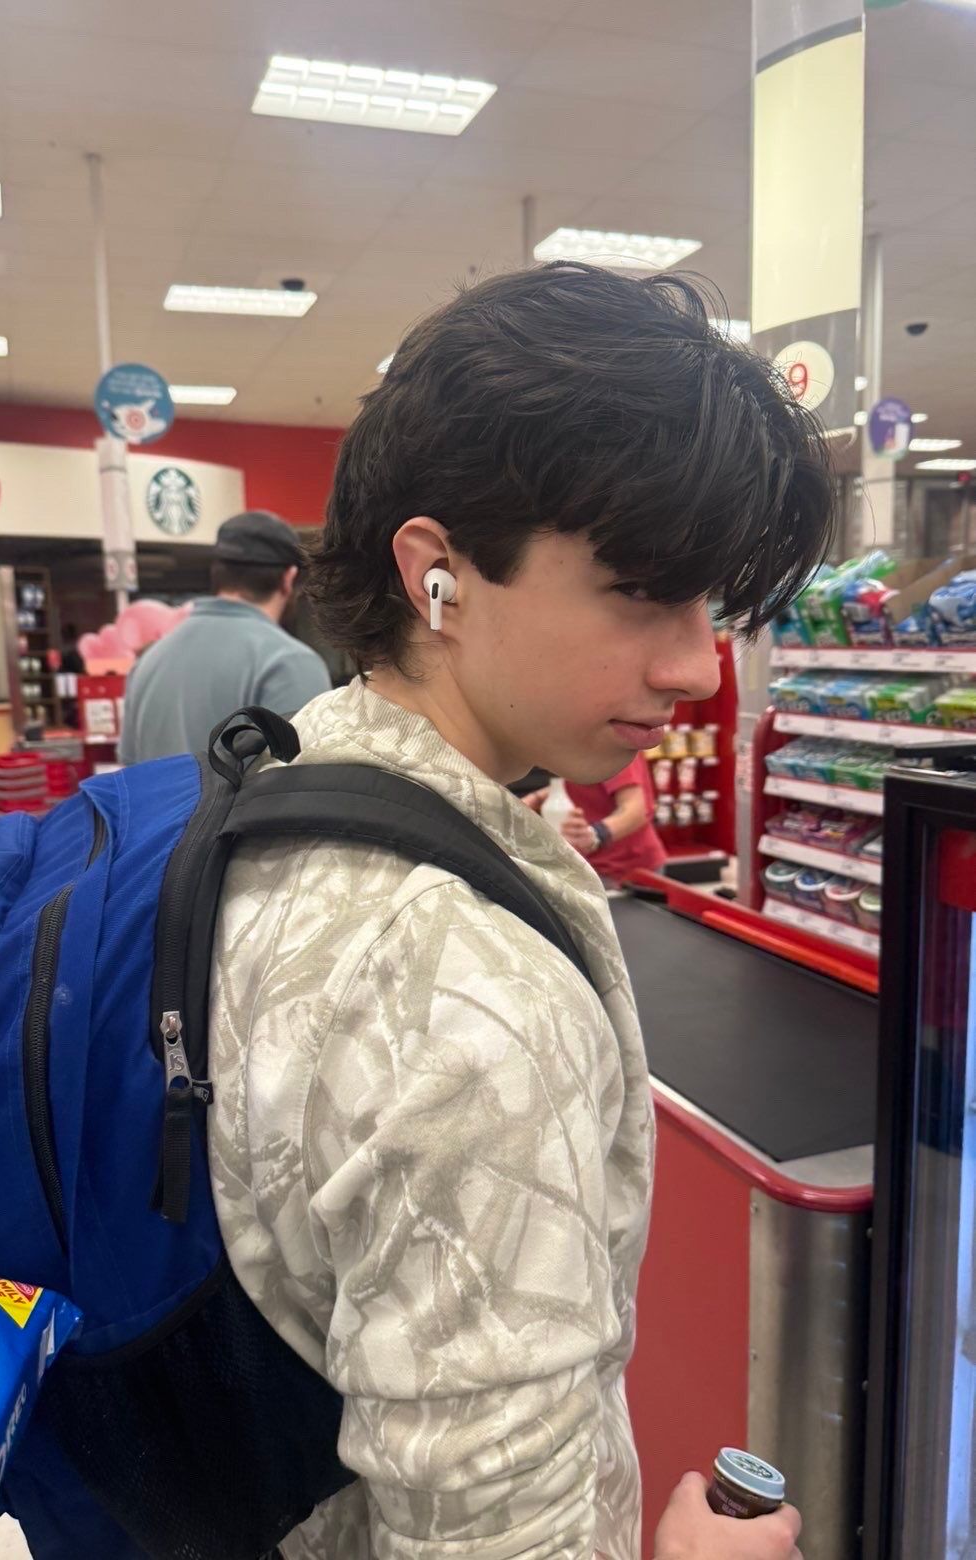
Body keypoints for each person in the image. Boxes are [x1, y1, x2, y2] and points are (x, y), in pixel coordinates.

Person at [208, 263, 830, 1559]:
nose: (696, 663)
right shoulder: (467, 1003)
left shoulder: (283, 787)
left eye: (711, 601)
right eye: (643, 589)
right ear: (435, 576)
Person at [117, 510, 331, 764]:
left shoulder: (147, 662)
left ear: (217, 574)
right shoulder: (289, 663)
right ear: (289, 578)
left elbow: (129, 767)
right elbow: (304, 779)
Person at [526, 754, 667, 882]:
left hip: (628, 870)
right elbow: (588, 786)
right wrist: (536, 797)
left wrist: (596, 834)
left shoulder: (614, 746)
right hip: (595, 865)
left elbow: (635, 811)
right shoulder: (580, 747)